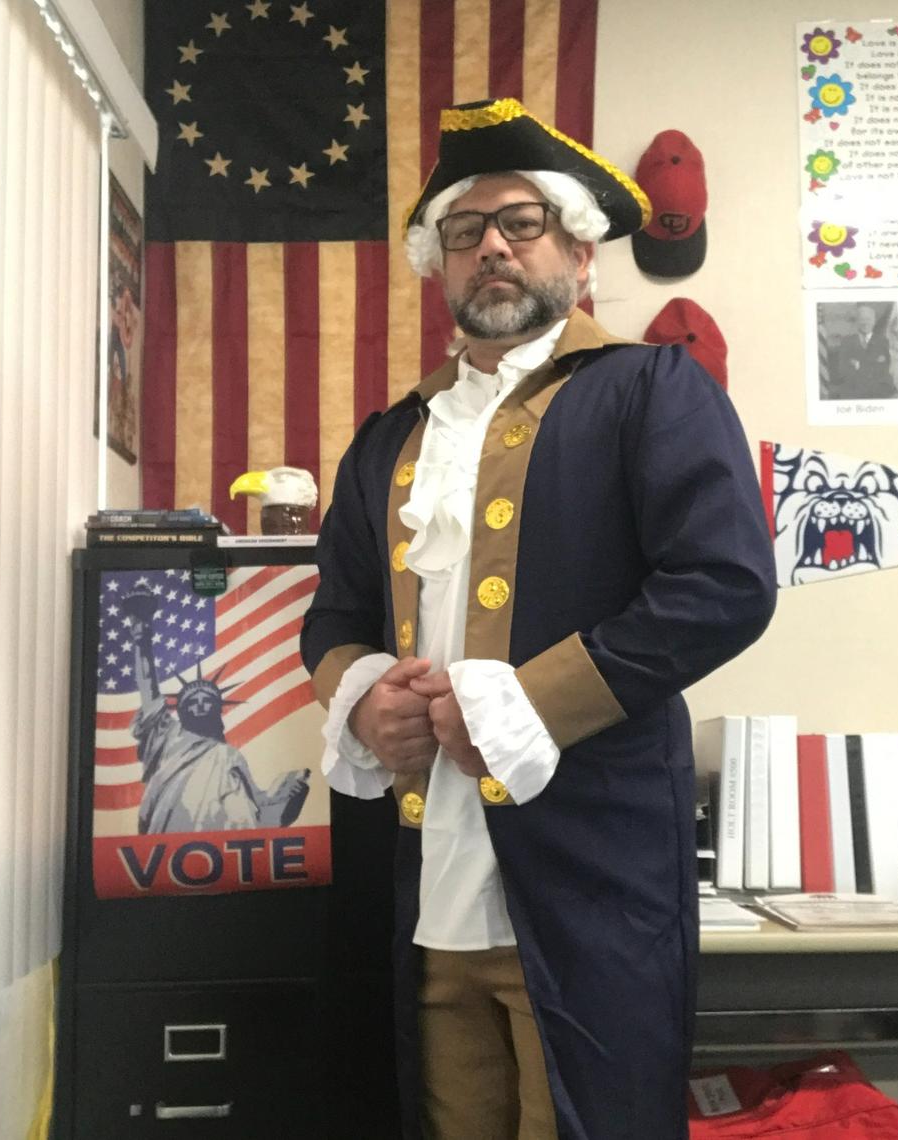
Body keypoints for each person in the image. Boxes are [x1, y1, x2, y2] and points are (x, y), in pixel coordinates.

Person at [300, 97, 777, 1140]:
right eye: (464, 233)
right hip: (423, 896)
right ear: (440, 264)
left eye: (521, 223)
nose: (494, 250)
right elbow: (331, 611)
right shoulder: (385, 441)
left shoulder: (653, 390)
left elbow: (726, 584)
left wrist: (526, 705)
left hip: (591, 886)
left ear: (578, 246)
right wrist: (362, 693)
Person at [124, 591, 310, 834]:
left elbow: (260, 812)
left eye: (208, 702)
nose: (201, 705)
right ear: (181, 711)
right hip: (172, 832)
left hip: (227, 846)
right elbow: (149, 689)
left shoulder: (229, 756)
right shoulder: (167, 737)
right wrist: (141, 637)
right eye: (193, 702)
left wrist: (288, 794)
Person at [827, 303, 896, 399]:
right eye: (861, 319)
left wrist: (859, 365)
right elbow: (843, 370)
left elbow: (884, 370)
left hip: (878, 394)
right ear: (857, 322)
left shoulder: (883, 342)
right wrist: (871, 364)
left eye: (868, 319)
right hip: (853, 393)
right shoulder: (847, 342)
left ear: (874, 321)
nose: (865, 323)